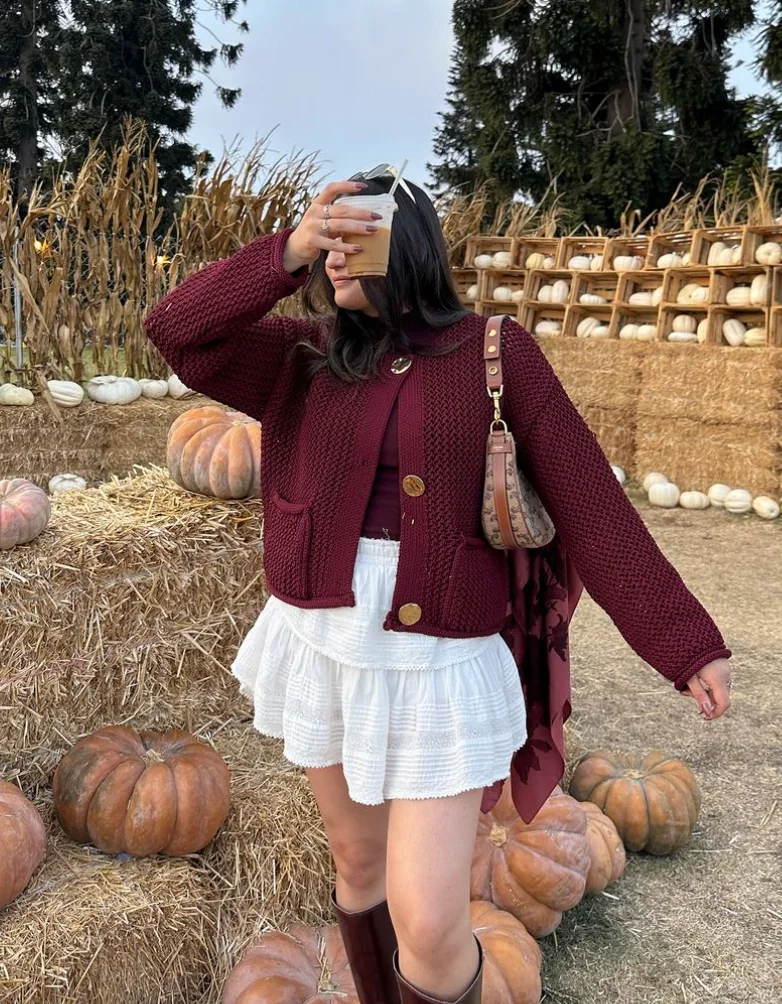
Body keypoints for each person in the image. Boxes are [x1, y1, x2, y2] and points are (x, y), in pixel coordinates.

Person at [144, 170, 733, 1004]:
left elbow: (590, 502)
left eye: (359, 238)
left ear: (410, 241)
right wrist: (286, 250)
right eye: (328, 242)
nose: (335, 260)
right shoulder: (304, 356)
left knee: (430, 920)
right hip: (327, 645)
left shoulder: (494, 351)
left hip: (439, 664)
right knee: (356, 866)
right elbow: (175, 331)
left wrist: (685, 643)